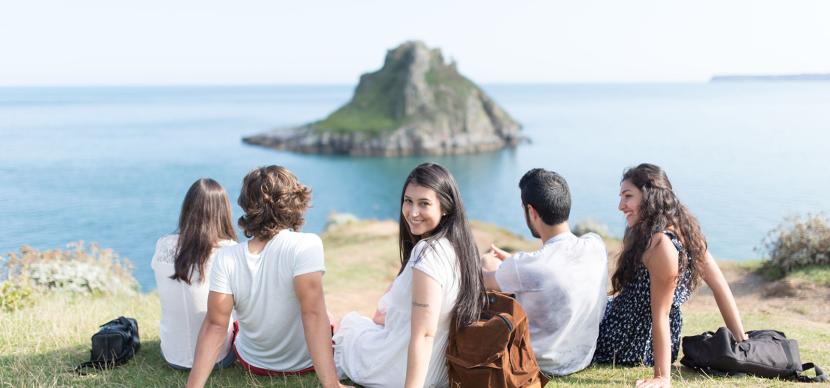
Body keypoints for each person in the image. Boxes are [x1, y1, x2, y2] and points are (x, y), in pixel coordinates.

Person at [186, 166, 346, 388]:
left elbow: (215, 324)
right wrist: (332, 385)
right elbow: (313, 314)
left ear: (247, 205)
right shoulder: (307, 245)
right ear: (295, 202)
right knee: (327, 316)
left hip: (253, 363)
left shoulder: (227, 256)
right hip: (304, 363)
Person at [592, 163, 747, 388]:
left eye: (628, 196)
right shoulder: (682, 232)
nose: (621, 206)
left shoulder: (662, 244)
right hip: (643, 335)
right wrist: (741, 340)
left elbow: (661, 313)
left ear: (649, 196)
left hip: (625, 339)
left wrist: (662, 377)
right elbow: (720, 287)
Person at [333, 162, 486, 388]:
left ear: (445, 207)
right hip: (439, 369)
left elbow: (424, 333)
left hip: (405, 370)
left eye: (424, 203)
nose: (412, 212)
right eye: (408, 201)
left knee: (348, 328)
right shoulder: (460, 249)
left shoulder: (428, 252)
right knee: (357, 325)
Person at [480, 168, 608, 376]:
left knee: (487, 261)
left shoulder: (528, 266)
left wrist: (492, 262)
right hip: (581, 358)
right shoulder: (595, 244)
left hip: (538, 364)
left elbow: (481, 281)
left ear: (531, 211)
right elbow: (554, 262)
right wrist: (514, 265)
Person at [151, 178, 238, 371]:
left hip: (171, 355)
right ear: (223, 212)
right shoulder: (230, 251)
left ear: (187, 209)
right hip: (218, 358)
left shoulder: (163, 245)